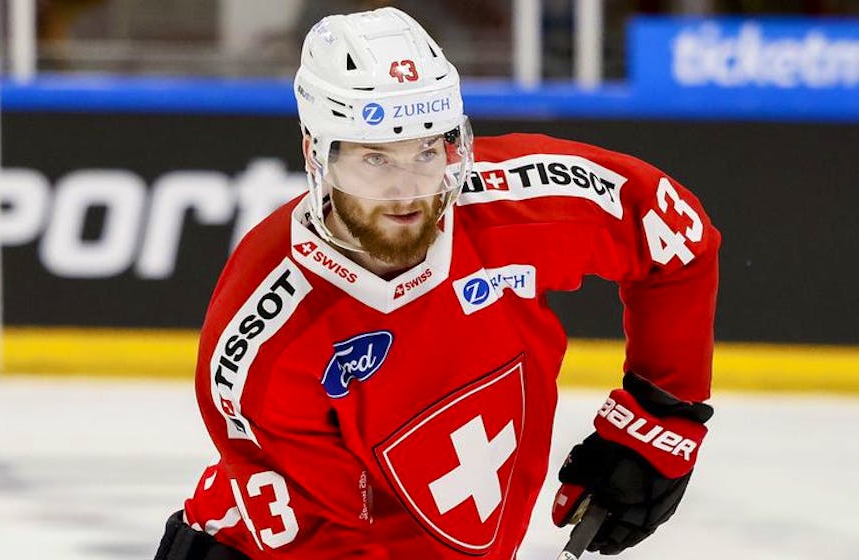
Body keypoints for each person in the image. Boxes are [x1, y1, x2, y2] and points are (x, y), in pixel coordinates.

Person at [155, 7, 718, 559]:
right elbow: (354, 540)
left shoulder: (514, 202)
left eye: (426, 151)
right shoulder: (267, 342)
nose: (408, 192)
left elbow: (673, 233)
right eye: (376, 159)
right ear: (317, 154)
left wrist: (660, 415)